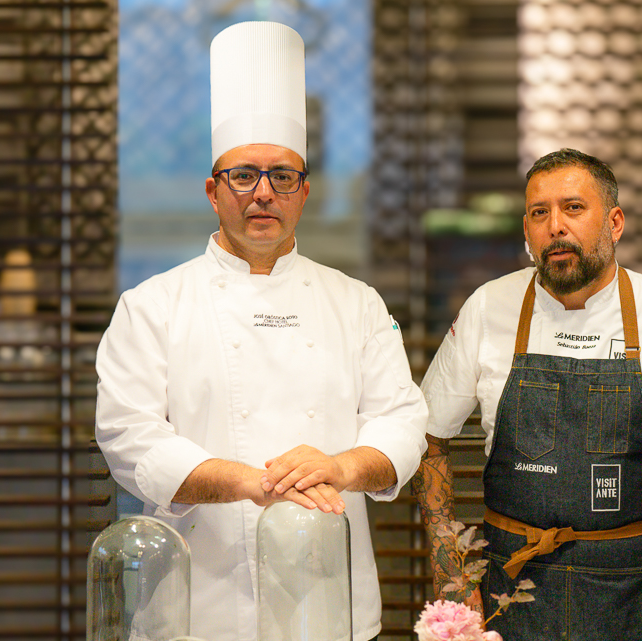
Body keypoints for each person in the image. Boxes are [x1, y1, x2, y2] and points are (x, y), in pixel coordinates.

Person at [95, 22, 427, 641]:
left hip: (328, 599)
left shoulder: (355, 302)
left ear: (304, 192)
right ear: (212, 190)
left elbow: (403, 423)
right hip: (198, 603)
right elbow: (128, 438)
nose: (263, 193)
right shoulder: (151, 306)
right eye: (243, 175)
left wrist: (340, 468)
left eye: (282, 176)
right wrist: (254, 483)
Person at [412, 149, 642, 641]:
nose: (555, 226)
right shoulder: (486, 308)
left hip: (637, 594)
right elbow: (426, 439)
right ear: (526, 229)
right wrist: (450, 573)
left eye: (574, 208)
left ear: (615, 223)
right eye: (539, 212)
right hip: (510, 596)